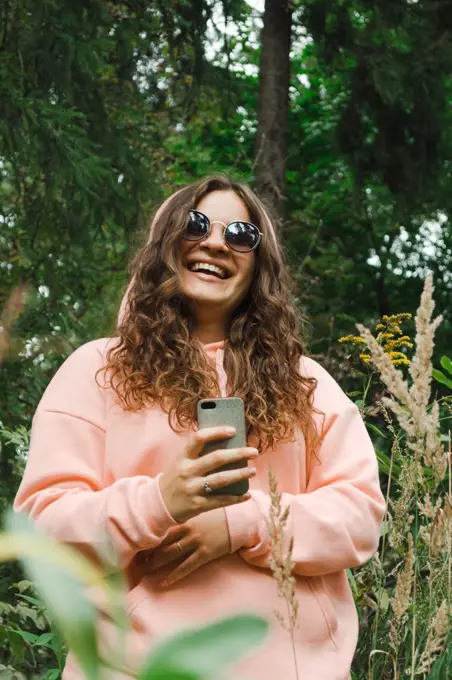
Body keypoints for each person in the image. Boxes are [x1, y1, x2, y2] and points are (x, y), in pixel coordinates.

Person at [14, 175, 386, 680]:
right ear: (164, 244)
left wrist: (243, 525)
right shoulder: (97, 370)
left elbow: (360, 516)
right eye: (196, 224)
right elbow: (43, 528)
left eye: (240, 234)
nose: (215, 241)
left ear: (258, 266)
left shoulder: (308, 385)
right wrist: (159, 502)